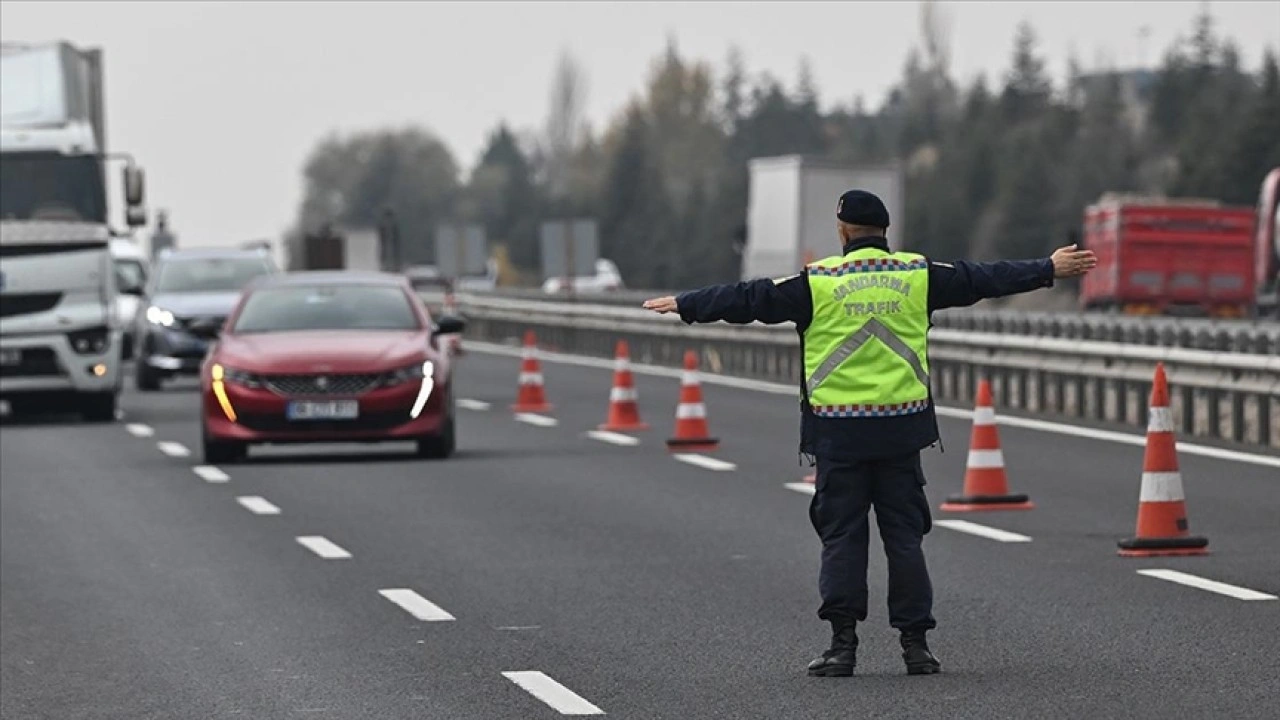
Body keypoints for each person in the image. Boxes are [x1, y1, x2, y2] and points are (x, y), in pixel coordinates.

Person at [642, 190, 1096, 677]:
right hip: (901, 432)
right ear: (885, 232)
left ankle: (842, 647)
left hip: (838, 436)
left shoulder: (818, 282)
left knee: (842, 537)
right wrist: (1045, 268)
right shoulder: (916, 275)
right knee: (904, 539)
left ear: (842, 231)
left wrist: (687, 304)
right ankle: (916, 647)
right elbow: (980, 277)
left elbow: (749, 298)